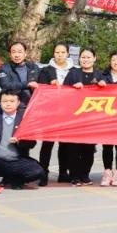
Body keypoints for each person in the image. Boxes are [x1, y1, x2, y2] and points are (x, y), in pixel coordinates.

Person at [0, 90, 46, 189]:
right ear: (0, 102)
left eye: (12, 101)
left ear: (18, 103)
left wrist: (19, 141)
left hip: (17, 161)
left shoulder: (24, 120)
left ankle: (14, 179)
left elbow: (32, 143)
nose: (8, 104)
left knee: (37, 171)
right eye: (5, 101)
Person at [35, 42, 74, 185]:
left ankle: (63, 172)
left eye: (63, 52)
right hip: (50, 112)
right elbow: (41, 89)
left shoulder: (74, 71)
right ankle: (43, 172)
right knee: (47, 143)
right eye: (57, 52)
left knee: (65, 144)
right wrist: (50, 85)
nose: (60, 55)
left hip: (68, 112)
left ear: (68, 54)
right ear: (53, 54)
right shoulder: (46, 70)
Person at [62, 48, 102, 186]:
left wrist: (103, 85)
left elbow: (108, 94)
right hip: (74, 117)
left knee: (88, 149)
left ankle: (85, 175)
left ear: (94, 58)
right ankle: (74, 176)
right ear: (79, 59)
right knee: (73, 148)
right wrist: (73, 87)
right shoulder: (73, 73)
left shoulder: (99, 75)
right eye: (83, 57)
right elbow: (63, 91)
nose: (86, 60)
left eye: (89, 57)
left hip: (92, 118)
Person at [98, 51, 117, 186]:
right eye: (114, 60)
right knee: (107, 146)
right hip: (106, 116)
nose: (116, 62)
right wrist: (97, 84)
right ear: (110, 61)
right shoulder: (102, 76)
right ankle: (107, 172)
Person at [0, 41, 40, 109]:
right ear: (10, 55)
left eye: (19, 52)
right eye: (14, 52)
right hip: (13, 108)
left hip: (33, 107)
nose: (17, 55)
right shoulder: (4, 68)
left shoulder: (33, 67)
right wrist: (27, 84)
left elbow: (43, 81)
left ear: (25, 54)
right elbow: (5, 86)